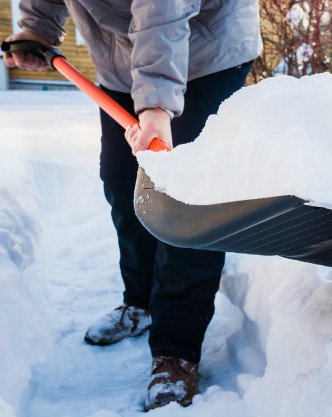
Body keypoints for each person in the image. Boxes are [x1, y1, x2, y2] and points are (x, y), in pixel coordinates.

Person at [3, 0, 261, 410]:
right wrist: (37, 27)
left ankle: (177, 348)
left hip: (205, 52)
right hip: (121, 60)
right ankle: (139, 301)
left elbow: (164, 10)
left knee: (185, 197)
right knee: (123, 182)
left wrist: (156, 105)